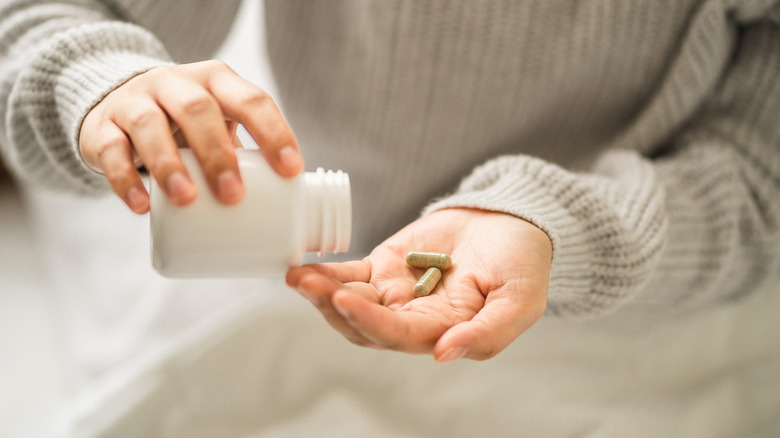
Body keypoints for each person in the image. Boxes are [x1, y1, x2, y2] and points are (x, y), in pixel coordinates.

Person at [2, 0, 779, 435]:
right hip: (347, 250)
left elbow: (759, 173)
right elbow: (39, 21)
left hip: (649, 275)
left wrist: (562, 228)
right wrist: (97, 84)